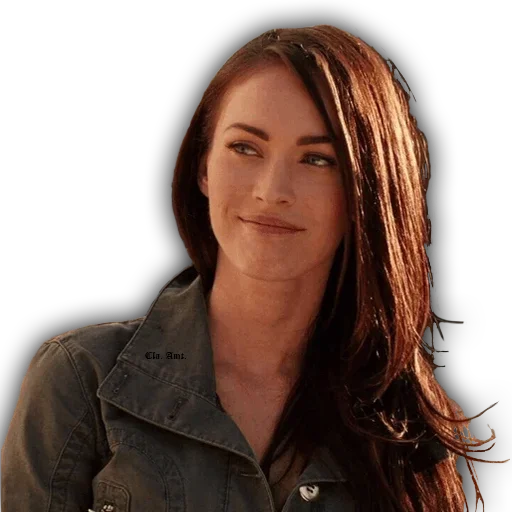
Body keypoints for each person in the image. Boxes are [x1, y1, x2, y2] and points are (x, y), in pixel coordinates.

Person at [2, 23, 508, 512]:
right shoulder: (81, 377)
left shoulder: (409, 421)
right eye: (245, 148)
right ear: (203, 166)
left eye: (317, 159)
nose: (271, 191)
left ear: (366, 192)